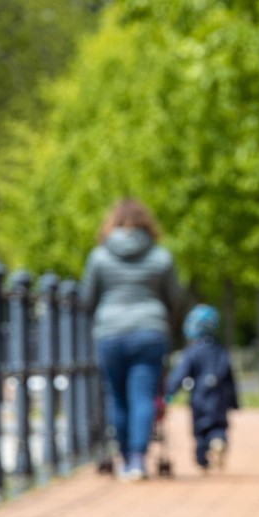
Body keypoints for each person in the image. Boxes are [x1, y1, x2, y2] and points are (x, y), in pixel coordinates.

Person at [80, 198, 182, 481]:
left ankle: (124, 456)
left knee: (117, 397)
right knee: (143, 396)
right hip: (150, 331)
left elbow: (87, 298)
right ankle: (137, 458)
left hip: (110, 332)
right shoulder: (161, 256)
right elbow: (175, 298)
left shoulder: (99, 256)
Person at [165, 304, 239, 472]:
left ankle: (202, 461)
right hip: (219, 398)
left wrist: (169, 393)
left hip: (199, 398)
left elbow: (179, 375)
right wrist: (234, 402)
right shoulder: (221, 351)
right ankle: (218, 441)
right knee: (219, 427)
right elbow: (230, 379)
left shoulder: (192, 352)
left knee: (200, 431)